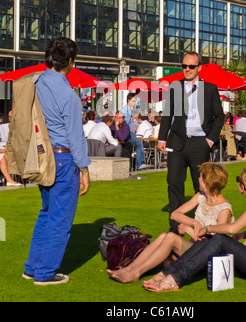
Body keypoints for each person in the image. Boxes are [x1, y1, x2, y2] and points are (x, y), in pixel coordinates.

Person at [144, 166, 246, 292]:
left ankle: (174, 279)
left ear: (242, 187)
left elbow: (232, 228)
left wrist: (207, 228)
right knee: (211, 239)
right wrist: (245, 234)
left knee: (218, 238)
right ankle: (166, 273)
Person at [22, 37, 91, 286]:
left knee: (47, 213)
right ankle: (45, 273)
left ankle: (32, 267)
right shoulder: (67, 93)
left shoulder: (35, 82)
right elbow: (75, 136)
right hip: (62, 157)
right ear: (70, 61)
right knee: (59, 219)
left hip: (41, 155)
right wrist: (84, 169)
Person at [107, 162, 233, 283]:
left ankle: (136, 273)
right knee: (163, 236)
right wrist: (194, 223)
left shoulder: (224, 209)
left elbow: (216, 244)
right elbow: (175, 214)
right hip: (193, 248)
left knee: (171, 237)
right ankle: (130, 268)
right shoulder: (201, 196)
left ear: (207, 181)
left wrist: (192, 232)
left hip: (204, 258)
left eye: (200, 176)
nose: (198, 178)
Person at [158, 51, 224, 233]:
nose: (187, 69)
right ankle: (177, 226)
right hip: (177, 142)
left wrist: (210, 140)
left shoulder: (210, 89)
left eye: (191, 66)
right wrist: (162, 138)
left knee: (201, 185)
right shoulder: (174, 87)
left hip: (200, 144)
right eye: (184, 66)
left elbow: (220, 117)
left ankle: (202, 223)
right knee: (173, 182)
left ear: (199, 68)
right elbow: (167, 115)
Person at [121, 94, 149, 170]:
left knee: (134, 146)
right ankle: (140, 163)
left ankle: (137, 163)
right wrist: (133, 117)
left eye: (135, 101)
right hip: (127, 131)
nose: (134, 103)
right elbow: (123, 122)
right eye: (133, 101)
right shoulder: (125, 109)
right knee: (139, 144)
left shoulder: (127, 109)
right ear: (128, 100)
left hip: (128, 131)